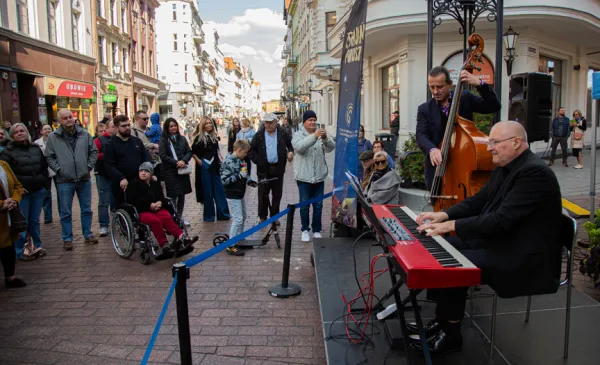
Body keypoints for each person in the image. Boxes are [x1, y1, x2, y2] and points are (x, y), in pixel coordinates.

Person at [412, 121, 562, 355]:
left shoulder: (534, 173)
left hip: (523, 256)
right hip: (503, 242)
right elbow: (479, 201)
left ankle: (451, 335)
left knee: (452, 265)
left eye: (494, 142)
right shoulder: (506, 167)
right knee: (438, 250)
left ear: (516, 143)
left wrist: (451, 225)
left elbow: (500, 220)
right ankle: (443, 320)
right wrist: (443, 214)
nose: (489, 148)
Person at [416, 66, 501, 189]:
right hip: (438, 170)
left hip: (464, 165)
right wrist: (432, 149)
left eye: (439, 87)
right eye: (432, 87)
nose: (435, 91)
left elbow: (493, 106)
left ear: (450, 84)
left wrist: (480, 84)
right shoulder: (424, 109)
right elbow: (420, 135)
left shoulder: (465, 98)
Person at [45, 108, 99, 250]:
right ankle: (67, 238)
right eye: (65, 118)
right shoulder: (53, 137)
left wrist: (88, 166)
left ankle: (88, 234)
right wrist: (58, 169)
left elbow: (93, 151)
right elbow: (49, 156)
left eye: (70, 116)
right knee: (65, 211)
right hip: (64, 180)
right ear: (59, 121)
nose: (69, 119)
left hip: (84, 178)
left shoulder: (84, 134)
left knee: (86, 209)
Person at [0, 123, 49, 260]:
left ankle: (36, 246)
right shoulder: (8, 151)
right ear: (12, 135)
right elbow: (6, 174)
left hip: (37, 189)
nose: (20, 133)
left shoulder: (35, 148)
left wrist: (44, 182)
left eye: (22, 131)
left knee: (35, 221)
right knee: (22, 221)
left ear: (27, 132)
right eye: (16, 132)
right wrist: (17, 188)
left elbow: (44, 166)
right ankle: (20, 250)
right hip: (22, 193)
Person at [126, 162, 198, 256]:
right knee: (154, 220)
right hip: (142, 211)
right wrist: (149, 205)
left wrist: (160, 202)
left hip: (157, 208)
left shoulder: (155, 184)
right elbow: (133, 201)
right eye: (141, 171)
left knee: (166, 217)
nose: (143, 173)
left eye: (146, 171)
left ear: (151, 173)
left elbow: (161, 197)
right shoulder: (134, 184)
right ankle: (164, 243)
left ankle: (182, 238)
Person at [292, 110, 335, 242]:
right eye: (310, 120)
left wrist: (325, 138)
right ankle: (305, 230)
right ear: (304, 122)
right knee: (304, 205)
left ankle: (316, 229)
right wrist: (314, 137)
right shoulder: (298, 135)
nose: (312, 122)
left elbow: (331, 147)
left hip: (319, 176)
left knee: (318, 205)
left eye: (314, 120)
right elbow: (299, 147)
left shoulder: (320, 133)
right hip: (304, 177)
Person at [249, 112, 294, 225]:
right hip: (264, 169)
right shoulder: (259, 135)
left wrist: (291, 152)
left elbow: (290, 145)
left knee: (277, 194)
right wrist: (258, 161)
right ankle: (262, 216)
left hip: (278, 168)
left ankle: (274, 217)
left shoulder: (282, 133)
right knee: (263, 193)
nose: (267, 125)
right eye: (266, 123)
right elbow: (251, 150)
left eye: (270, 123)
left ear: (275, 123)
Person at [104, 115, 150, 207]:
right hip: (121, 184)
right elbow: (109, 165)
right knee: (124, 208)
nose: (127, 128)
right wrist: (121, 178)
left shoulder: (136, 141)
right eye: (124, 126)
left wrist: (148, 172)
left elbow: (146, 159)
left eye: (128, 125)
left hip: (138, 181)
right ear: (116, 127)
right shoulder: (110, 144)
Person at [192, 117, 230, 222]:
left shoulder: (214, 137)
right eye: (207, 123)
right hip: (204, 168)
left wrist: (220, 160)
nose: (209, 125)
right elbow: (193, 152)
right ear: (203, 125)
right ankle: (209, 216)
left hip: (215, 167)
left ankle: (223, 214)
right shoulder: (199, 138)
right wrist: (199, 161)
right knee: (207, 192)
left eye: (210, 123)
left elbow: (216, 151)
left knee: (219, 190)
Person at [221, 140, 254, 257]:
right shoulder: (228, 162)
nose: (246, 155)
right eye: (245, 152)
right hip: (232, 193)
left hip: (240, 193)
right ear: (239, 150)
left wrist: (249, 180)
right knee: (238, 218)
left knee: (243, 216)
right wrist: (239, 176)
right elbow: (224, 180)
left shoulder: (241, 160)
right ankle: (231, 245)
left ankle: (239, 239)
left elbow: (245, 173)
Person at [159, 118, 193, 223]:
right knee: (173, 195)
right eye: (171, 126)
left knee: (182, 194)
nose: (173, 128)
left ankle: (180, 216)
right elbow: (163, 155)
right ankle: (173, 218)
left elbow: (189, 151)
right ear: (167, 128)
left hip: (182, 170)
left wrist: (183, 160)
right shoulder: (164, 140)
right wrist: (176, 162)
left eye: (175, 126)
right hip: (171, 171)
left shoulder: (182, 138)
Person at [0, 160, 27, 288]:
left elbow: (17, 185)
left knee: (8, 246)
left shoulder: (3, 164)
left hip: (7, 215)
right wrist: (1, 204)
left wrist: (14, 200)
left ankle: (10, 277)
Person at [93, 120, 116, 236]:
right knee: (103, 200)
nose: (115, 129)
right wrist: (107, 155)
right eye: (113, 126)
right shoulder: (99, 140)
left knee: (115, 199)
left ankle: (117, 220)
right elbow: (94, 155)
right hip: (102, 173)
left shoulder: (119, 139)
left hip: (115, 174)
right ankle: (103, 225)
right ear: (107, 128)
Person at [34, 124, 58, 224]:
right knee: (46, 194)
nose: (47, 130)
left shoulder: (57, 141)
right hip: (45, 171)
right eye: (45, 129)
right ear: (41, 131)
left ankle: (62, 213)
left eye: (49, 129)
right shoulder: (36, 143)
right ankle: (48, 217)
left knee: (60, 193)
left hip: (56, 169)